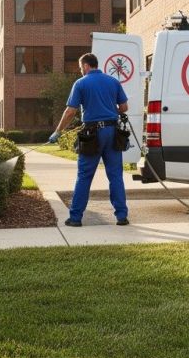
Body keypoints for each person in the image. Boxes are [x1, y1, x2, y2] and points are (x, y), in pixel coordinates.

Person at [49, 52, 130, 227]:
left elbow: (71, 111)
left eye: (80, 68)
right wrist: (109, 110)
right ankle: (121, 216)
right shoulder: (113, 82)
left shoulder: (81, 83)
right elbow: (124, 107)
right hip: (112, 132)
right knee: (115, 175)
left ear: (86, 65)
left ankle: (76, 218)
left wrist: (58, 132)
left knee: (84, 176)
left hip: (92, 135)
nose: (80, 71)